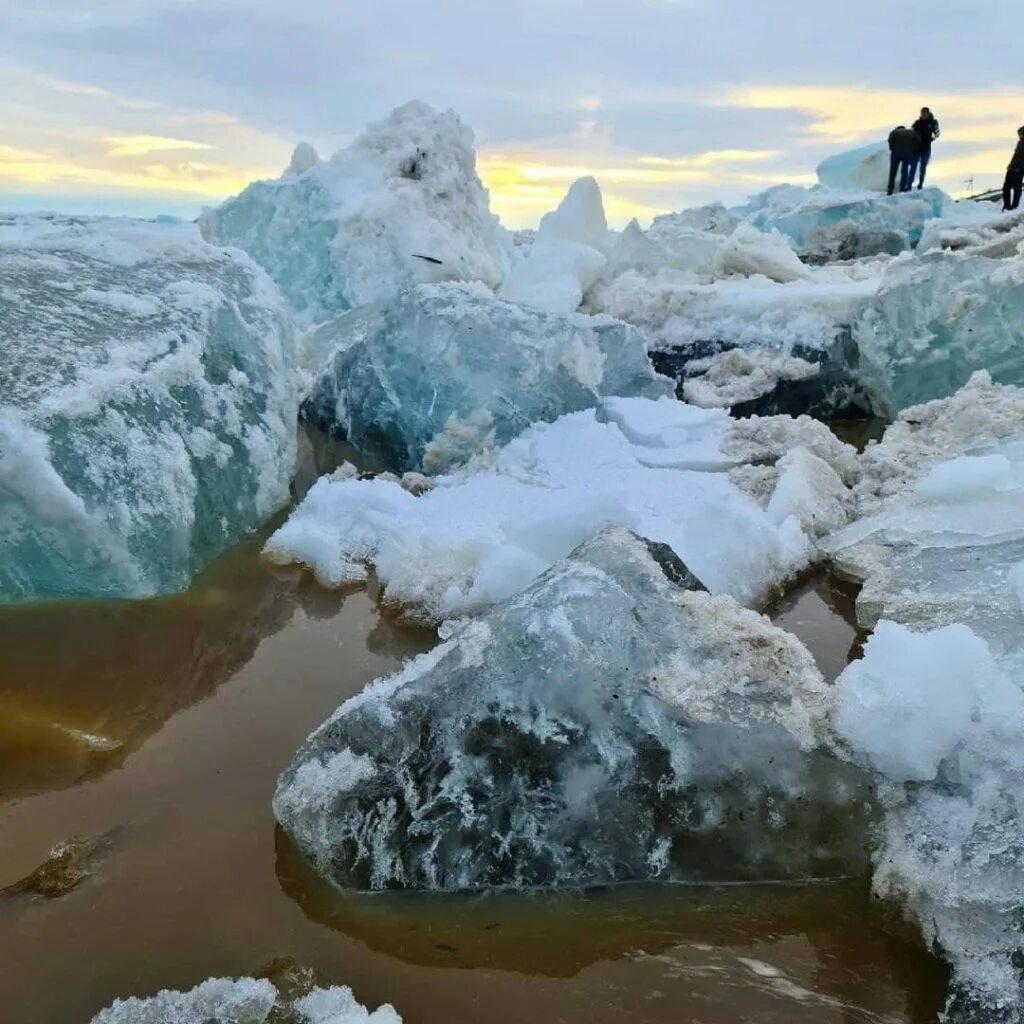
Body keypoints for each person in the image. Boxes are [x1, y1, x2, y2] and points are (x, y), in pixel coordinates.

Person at [907, 107, 940, 189]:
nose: (924, 115)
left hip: (926, 148)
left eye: (925, 113)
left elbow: (937, 134)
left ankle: (920, 185)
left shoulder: (933, 122)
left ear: (928, 113)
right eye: (922, 113)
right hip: (916, 148)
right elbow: (911, 133)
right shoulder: (917, 123)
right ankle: (908, 185)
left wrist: (932, 138)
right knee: (913, 167)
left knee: (923, 168)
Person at [887, 125, 918, 195]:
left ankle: (890, 190)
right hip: (907, 153)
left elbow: (890, 140)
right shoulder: (911, 132)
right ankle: (902, 189)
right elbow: (918, 140)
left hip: (896, 153)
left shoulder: (894, 132)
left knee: (893, 172)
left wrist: (892, 148)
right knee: (904, 171)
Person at [1003, 126, 1024, 212]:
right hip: (1012, 167)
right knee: (1006, 188)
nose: (1019, 135)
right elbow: (1015, 155)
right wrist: (1010, 164)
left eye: (1021, 134)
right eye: (1019, 134)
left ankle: (1014, 206)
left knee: (1017, 188)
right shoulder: (1019, 143)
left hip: (1020, 169)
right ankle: (1007, 205)